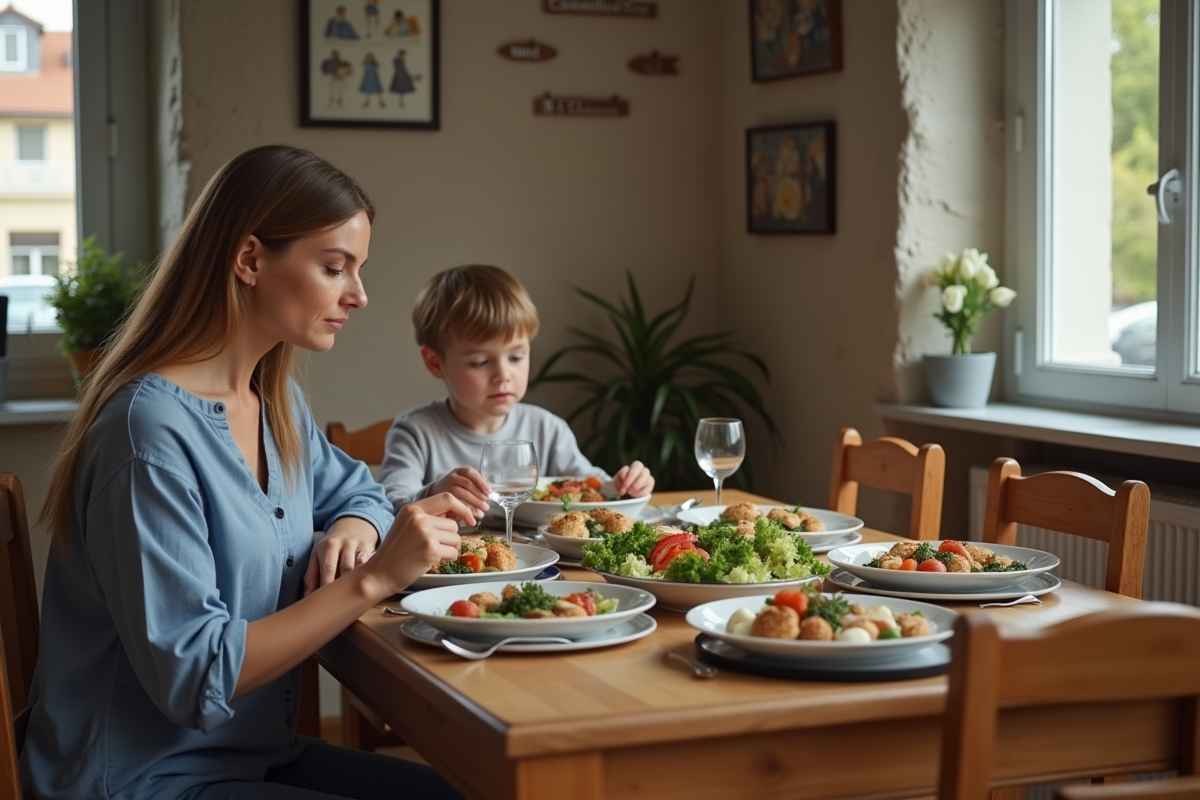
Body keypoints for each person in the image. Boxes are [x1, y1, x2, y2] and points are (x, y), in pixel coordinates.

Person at [21, 145, 471, 800]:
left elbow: (358, 490)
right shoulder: (147, 437)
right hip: (140, 782)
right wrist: (373, 577)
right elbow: (194, 676)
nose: (359, 294)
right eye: (334, 267)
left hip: (252, 755)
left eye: (357, 269)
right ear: (251, 259)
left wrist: (353, 526)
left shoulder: (273, 400)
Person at [377, 264, 655, 514]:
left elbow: (588, 486)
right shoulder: (414, 431)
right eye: (480, 362)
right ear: (436, 363)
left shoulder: (547, 428)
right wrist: (433, 494)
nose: (503, 375)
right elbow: (390, 503)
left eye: (516, 357)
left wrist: (623, 484)